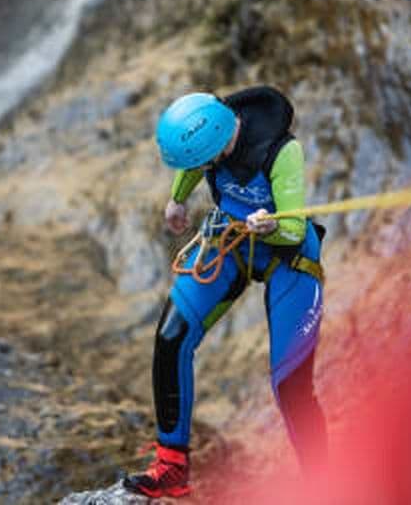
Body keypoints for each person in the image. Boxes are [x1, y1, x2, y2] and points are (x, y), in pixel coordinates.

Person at [123, 86, 328, 498]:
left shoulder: (281, 151)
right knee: (171, 337)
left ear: (219, 145)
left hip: (289, 259)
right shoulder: (210, 139)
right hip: (230, 241)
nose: (200, 167)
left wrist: (273, 225)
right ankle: (171, 468)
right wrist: (177, 200)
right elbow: (193, 163)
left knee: (290, 387)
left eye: (204, 161)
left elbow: (293, 229)